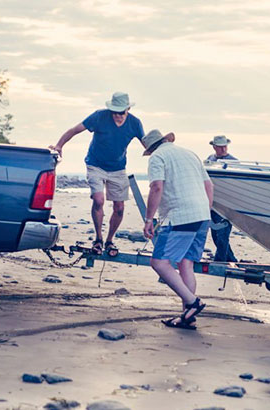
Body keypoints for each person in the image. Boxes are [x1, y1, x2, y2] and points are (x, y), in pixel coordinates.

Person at [50, 91, 145, 257]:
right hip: (95, 164)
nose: (118, 116)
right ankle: (98, 239)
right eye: (115, 112)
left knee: (120, 208)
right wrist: (59, 146)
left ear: (128, 109)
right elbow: (74, 130)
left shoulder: (135, 123)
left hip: (118, 168)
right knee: (98, 199)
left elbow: (147, 145)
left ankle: (109, 240)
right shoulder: (99, 116)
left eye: (121, 112)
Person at [142, 129, 213, 330]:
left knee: (159, 262)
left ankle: (192, 303)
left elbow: (156, 187)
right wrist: (203, 211)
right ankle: (188, 316)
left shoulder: (157, 157)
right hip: (202, 215)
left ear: (151, 148)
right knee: (185, 265)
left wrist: (149, 219)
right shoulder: (190, 154)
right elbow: (209, 187)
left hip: (180, 217)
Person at [205, 135, 238, 262]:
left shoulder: (233, 161)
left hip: (227, 203)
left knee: (223, 235)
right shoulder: (210, 159)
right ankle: (231, 260)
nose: (223, 149)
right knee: (215, 235)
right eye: (220, 146)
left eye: (225, 146)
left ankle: (220, 261)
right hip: (213, 202)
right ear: (214, 147)